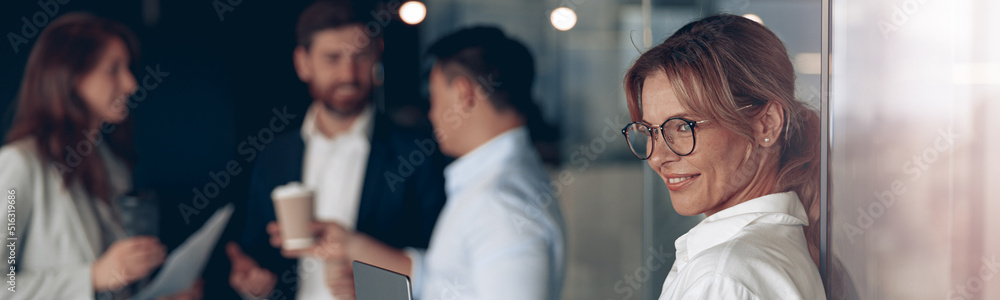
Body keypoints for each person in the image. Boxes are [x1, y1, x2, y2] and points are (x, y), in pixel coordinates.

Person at [270, 25, 567, 300]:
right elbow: (447, 279)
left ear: (464, 95)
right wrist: (353, 247)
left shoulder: (499, 202)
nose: (433, 115)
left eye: (435, 99)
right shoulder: (494, 183)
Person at [225, 0, 447, 299]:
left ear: (378, 55)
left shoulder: (418, 152)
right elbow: (255, 251)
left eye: (361, 56)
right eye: (332, 58)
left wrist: (379, 288)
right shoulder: (274, 154)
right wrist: (251, 279)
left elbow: (446, 264)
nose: (348, 73)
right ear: (303, 63)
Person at [620, 14, 825, 299]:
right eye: (650, 131)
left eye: (682, 126)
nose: (657, 156)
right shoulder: (764, 253)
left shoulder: (722, 278)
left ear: (767, 124)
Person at [0, 13, 202, 300]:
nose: (131, 84)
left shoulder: (113, 163)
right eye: (113, 69)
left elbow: (112, 284)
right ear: (69, 76)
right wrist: (91, 277)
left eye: (128, 69)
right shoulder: (18, 164)